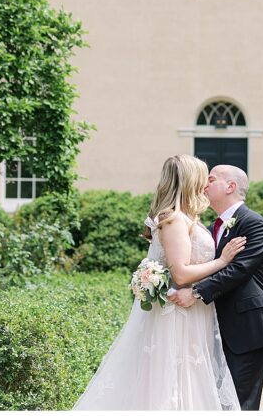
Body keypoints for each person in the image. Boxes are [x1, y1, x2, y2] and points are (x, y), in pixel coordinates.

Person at [74, 155, 247, 410]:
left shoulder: (186, 217)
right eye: (203, 177)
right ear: (191, 179)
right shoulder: (173, 219)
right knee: (172, 380)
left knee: (189, 377)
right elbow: (181, 273)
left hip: (192, 311)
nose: (206, 184)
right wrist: (222, 261)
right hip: (177, 315)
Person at [166, 164, 263, 411]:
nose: (204, 184)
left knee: (240, 404)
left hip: (245, 328)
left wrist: (196, 293)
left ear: (230, 187)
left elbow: (238, 270)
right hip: (212, 328)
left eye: (211, 179)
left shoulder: (253, 223)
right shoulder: (211, 228)